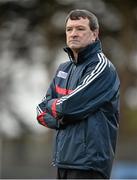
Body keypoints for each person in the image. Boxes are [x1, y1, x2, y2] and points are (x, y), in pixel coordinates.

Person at [36, 9, 120, 179]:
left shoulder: (102, 68)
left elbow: (66, 107)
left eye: (80, 29)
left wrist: (59, 110)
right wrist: (62, 116)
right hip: (63, 160)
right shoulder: (63, 69)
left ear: (94, 34)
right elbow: (40, 110)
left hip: (89, 164)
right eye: (69, 29)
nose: (73, 34)